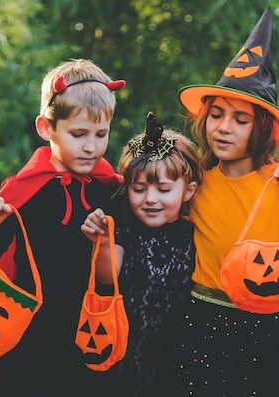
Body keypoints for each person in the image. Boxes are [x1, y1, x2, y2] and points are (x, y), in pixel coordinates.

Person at [173, 7, 279, 396]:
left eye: (240, 119)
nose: (224, 127)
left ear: (261, 127)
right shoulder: (196, 183)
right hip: (203, 324)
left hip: (267, 330)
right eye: (216, 115)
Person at [0, 58, 126, 397]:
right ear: (47, 128)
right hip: (30, 345)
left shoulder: (113, 191)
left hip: (90, 341)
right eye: (78, 134)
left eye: (101, 134)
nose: (91, 146)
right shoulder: (22, 191)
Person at [81, 112, 200, 397]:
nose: (150, 199)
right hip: (128, 354)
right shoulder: (125, 229)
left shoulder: (195, 234)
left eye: (164, 189)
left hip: (180, 355)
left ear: (188, 190)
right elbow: (107, 276)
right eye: (139, 189)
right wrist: (103, 243)